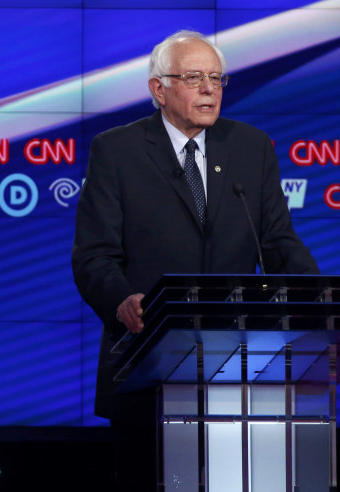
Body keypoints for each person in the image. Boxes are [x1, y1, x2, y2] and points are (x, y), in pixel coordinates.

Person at [71, 31, 318, 491]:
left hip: (241, 367)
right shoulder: (117, 151)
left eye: (216, 78)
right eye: (193, 78)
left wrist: (318, 308)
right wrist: (122, 299)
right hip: (148, 363)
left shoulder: (251, 146)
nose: (209, 89)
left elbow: (279, 243)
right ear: (158, 89)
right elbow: (94, 255)